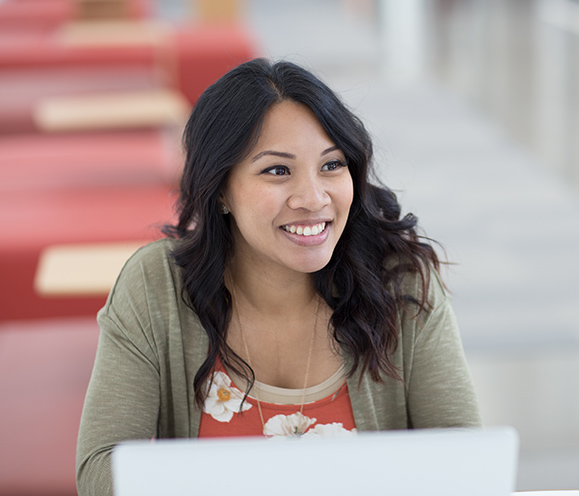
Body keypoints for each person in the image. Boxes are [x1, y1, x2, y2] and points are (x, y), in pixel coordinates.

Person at [76, 58, 481, 495]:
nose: (313, 198)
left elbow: (463, 461)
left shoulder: (400, 281)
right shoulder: (155, 286)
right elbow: (101, 469)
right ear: (220, 190)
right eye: (277, 170)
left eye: (332, 165)